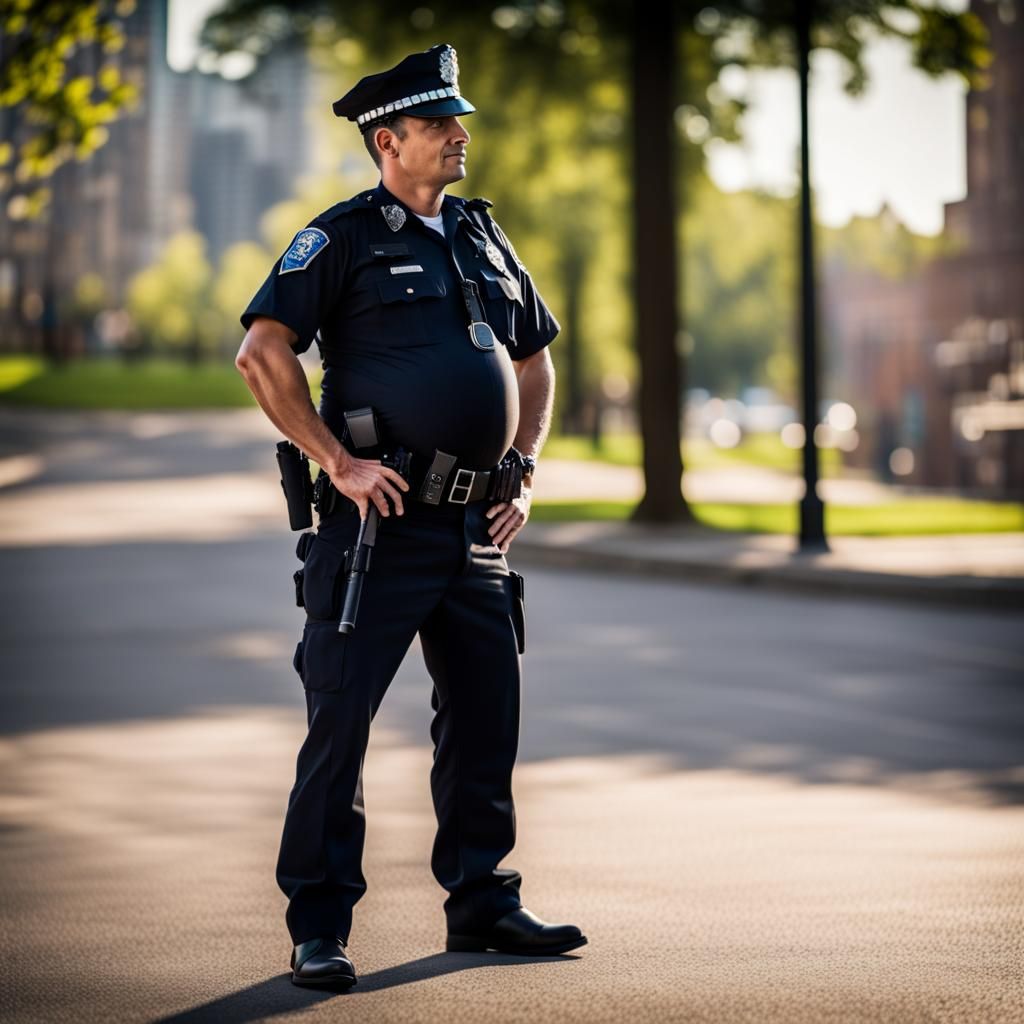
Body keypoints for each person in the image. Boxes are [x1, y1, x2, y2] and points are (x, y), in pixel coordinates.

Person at [235, 43, 586, 989]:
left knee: (484, 720)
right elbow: (263, 354)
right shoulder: (340, 238)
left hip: (475, 529)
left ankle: (484, 902)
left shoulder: (482, 236)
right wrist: (336, 462)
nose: (459, 135)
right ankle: (318, 924)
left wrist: (523, 468)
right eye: (440, 124)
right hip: (376, 530)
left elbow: (536, 359)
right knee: (340, 722)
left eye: (457, 122)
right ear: (389, 141)